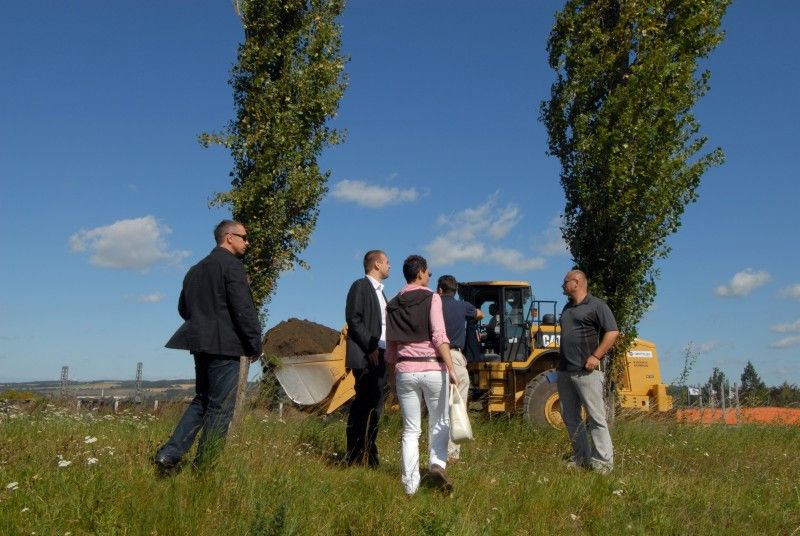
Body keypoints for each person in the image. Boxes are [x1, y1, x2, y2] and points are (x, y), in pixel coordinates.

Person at [155, 220, 262, 473]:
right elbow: (243, 309)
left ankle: (169, 454)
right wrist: (254, 343)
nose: (247, 242)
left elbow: (184, 308)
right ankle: (204, 467)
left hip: (200, 343)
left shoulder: (195, 269)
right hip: (225, 345)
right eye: (244, 237)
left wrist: (204, 323)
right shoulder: (232, 267)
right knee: (221, 407)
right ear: (228, 238)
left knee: (202, 400)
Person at [386, 255, 459, 496]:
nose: (429, 277)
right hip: (431, 368)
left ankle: (410, 485)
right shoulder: (432, 298)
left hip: (404, 370)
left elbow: (391, 347)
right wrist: (452, 368)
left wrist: (390, 378)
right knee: (439, 421)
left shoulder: (393, 303)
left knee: (410, 430)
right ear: (420, 274)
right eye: (428, 273)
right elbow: (439, 335)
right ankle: (437, 464)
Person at [557, 269, 619, 474]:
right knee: (571, 417)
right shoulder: (567, 308)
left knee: (595, 417)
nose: (563, 285)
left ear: (576, 282)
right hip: (565, 371)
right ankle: (581, 457)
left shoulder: (597, 306)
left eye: (565, 282)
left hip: (587, 372)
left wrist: (596, 356)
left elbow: (612, 332)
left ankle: (603, 462)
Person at [344, 250, 390, 466]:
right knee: (363, 405)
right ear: (377, 264)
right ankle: (353, 455)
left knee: (376, 406)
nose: (389, 266)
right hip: (366, 356)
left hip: (381, 355)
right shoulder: (360, 286)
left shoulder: (382, 293)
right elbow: (354, 319)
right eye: (387, 262)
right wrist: (371, 346)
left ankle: (370, 454)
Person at [436, 275, 482, 462]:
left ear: (439, 290)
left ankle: (436, 453)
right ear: (454, 291)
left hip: (433, 357)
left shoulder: (434, 306)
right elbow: (480, 314)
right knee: (457, 407)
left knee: (437, 409)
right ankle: (452, 453)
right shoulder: (463, 307)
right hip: (454, 356)